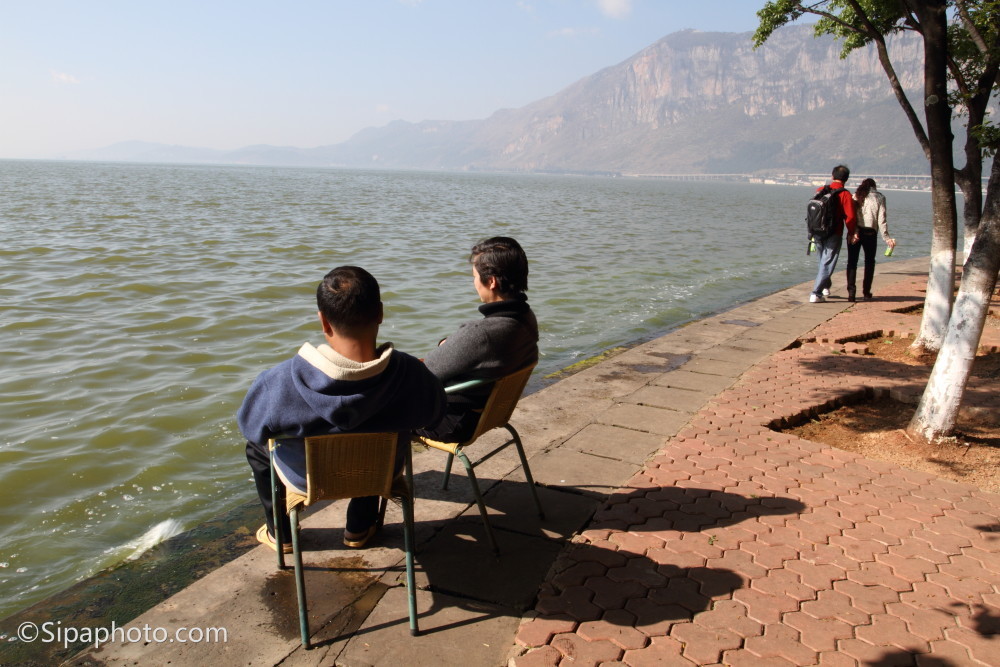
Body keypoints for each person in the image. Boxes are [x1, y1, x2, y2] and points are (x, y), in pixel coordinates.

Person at [238, 266, 445, 551]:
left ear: (323, 322)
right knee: (378, 433)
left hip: (306, 480)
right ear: (381, 314)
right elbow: (434, 415)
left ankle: (281, 534)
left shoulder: (277, 382)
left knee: (256, 449)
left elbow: (250, 427)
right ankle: (359, 528)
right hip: (379, 474)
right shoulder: (411, 373)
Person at [416, 237, 539, 443]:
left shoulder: (480, 334)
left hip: (453, 420)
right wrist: (453, 345)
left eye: (474, 276)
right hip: (488, 414)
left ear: (491, 281)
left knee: (386, 406)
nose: (474, 283)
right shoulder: (525, 317)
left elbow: (425, 373)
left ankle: (385, 472)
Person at [810, 164, 859, 303]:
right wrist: (851, 233)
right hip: (834, 232)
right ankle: (816, 293)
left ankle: (825, 286)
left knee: (822, 261)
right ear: (846, 179)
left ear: (832, 176)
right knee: (828, 262)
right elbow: (850, 217)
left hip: (817, 231)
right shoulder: (845, 194)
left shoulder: (820, 190)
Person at [846, 178, 896, 301]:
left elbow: (851, 217)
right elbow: (881, 220)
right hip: (870, 233)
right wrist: (886, 238)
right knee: (869, 262)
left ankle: (851, 294)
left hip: (855, 233)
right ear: (874, 186)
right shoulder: (879, 198)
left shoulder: (855, 196)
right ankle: (866, 292)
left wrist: (854, 232)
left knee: (852, 262)